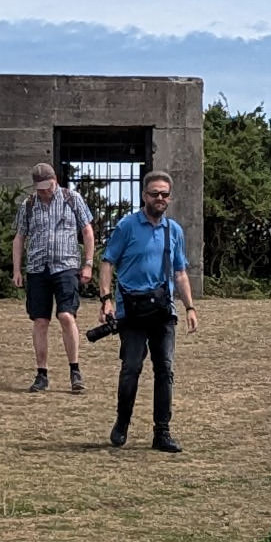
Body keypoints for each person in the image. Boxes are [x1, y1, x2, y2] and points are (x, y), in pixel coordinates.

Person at [94, 170, 200, 452]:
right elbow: (107, 262)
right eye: (154, 194)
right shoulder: (127, 226)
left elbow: (180, 272)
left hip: (163, 311)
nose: (160, 198)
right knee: (131, 367)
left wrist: (189, 307)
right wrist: (106, 299)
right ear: (144, 196)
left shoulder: (173, 231)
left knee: (165, 369)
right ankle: (122, 422)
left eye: (165, 194)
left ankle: (162, 432)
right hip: (132, 311)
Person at [11, 160, 97, 393]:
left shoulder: (72, 199)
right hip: (38, 268)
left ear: (55, 181)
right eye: (40, 189)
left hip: (66, 266)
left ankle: (75, 370)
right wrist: (17, 269)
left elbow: (87, 231)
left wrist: (88, 264)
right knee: (40, 321)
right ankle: (42, 373)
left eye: (47, 187)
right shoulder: (29, 205)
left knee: (66, 316)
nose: (44, 192)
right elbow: (19, 237)